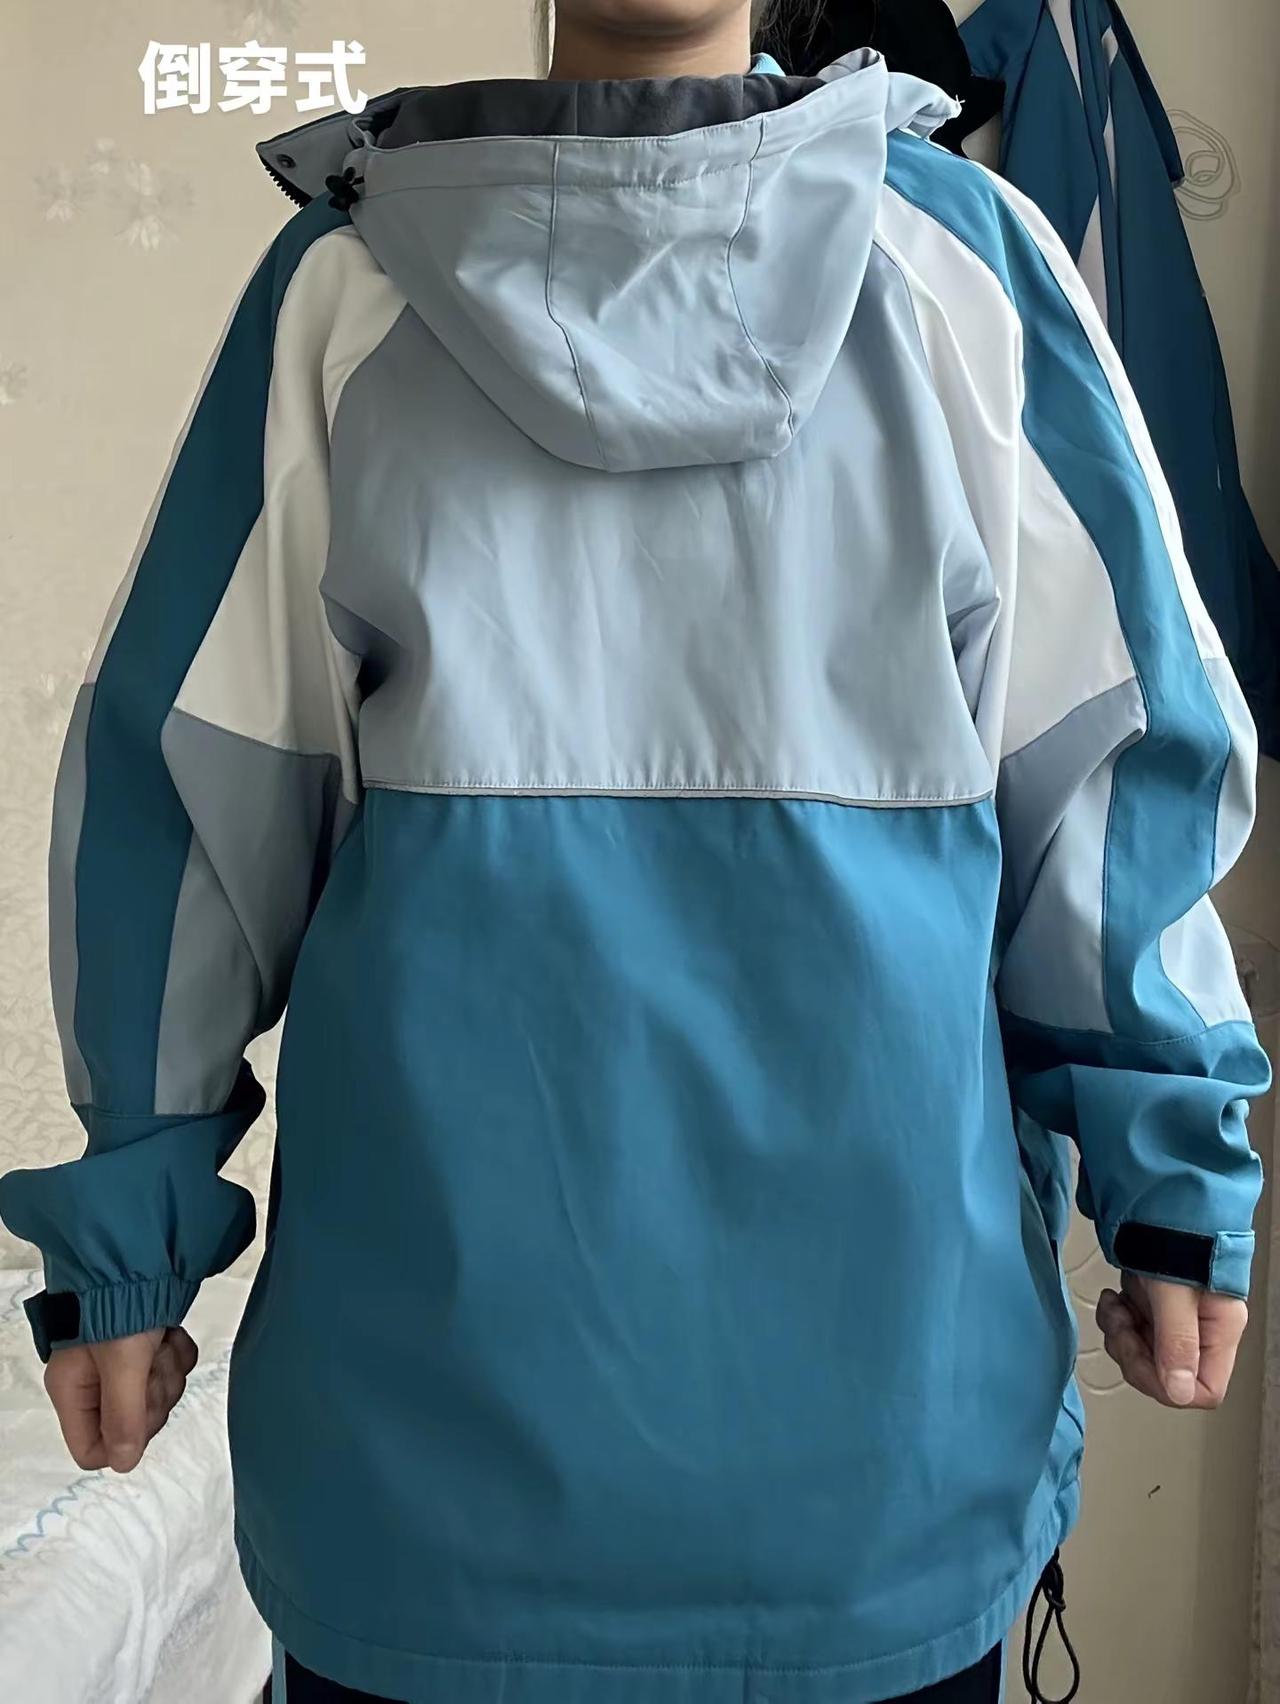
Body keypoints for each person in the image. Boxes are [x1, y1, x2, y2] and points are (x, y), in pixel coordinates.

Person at [0, 1, 1269, 1700]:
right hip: (878, 1481)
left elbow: (183, 810)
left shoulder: (349, 295)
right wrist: (1173, 1172)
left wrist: (131, 1230)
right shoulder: (959, 271)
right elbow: (1113, 782)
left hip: (431, 1499)